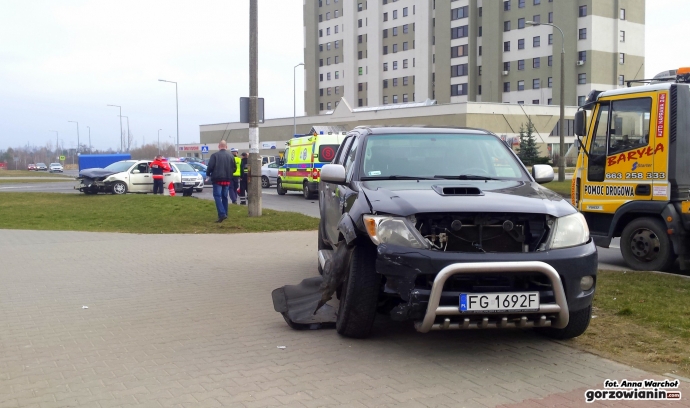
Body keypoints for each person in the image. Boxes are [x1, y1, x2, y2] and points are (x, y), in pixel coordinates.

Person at [206, 141, 237, 222]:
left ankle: (222, 214)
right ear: (226, 147)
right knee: (224, 196)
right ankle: (225, 213)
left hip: (217, 179)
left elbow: (210, 167)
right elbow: (235, 168)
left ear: (218, 146)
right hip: (227, 179)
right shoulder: (231, 156)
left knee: (217, 196)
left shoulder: (214, 155)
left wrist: (208, 174)